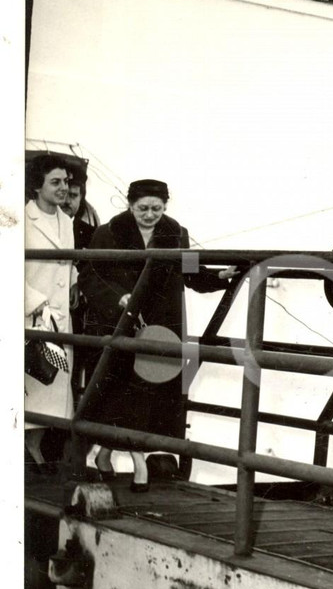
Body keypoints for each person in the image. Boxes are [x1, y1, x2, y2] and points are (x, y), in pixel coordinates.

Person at [78, 179, 236, 491]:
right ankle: (139, 466)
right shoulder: (107, 233)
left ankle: (105, 455)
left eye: (156, 208)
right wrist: (119, 298)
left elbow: (191, 272)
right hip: (120, 324)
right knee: (122, 395)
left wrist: (218, 275)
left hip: (161, 329)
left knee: (143, 397)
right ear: (129, 205)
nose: (150, 215)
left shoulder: (175, 232)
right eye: (143, 208)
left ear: (165, 206)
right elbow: (90, 276)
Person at [25, 155, 77, 473]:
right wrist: (35, 302)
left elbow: (67, 263)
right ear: (37, 185)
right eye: (55, 182)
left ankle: (35, 449)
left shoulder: (66, 221)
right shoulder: (18, 217)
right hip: (30, 316)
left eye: (66, 182)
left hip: (59, 318)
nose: (63, 188)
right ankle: (26, 452)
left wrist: (73, 282)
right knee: (31, 386)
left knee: (54, 388)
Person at [62, 171, 101, 402]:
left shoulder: (91, 235)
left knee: (75, 367)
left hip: (77, 313)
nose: (68, 201)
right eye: (66, 194)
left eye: (74, 196)